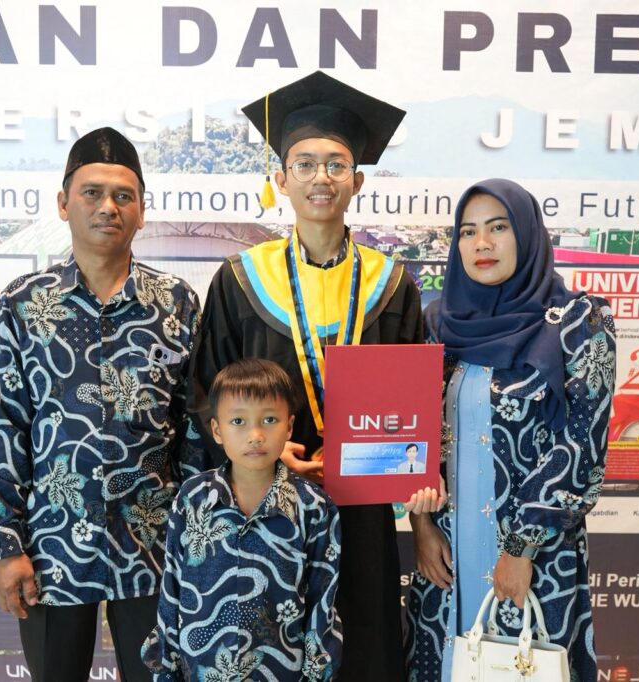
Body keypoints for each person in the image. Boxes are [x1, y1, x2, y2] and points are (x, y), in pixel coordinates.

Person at [189, 71, 423, 681]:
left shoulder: (391, 284)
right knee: (270, 645)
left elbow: (416, 409)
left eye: (337, 165)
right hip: (264, 498)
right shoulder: (241, 279)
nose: (322, 177)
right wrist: (262, 455)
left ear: (357, 181)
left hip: (363, 503)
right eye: (305, 164)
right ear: (281, 178)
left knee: (363, 645)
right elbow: (207, 395)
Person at [0, 127, 201, 682]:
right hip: (51, 547)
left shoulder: (175, 304)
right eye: (92, 193)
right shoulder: (24, 304)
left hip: (155, 547)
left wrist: (200, 539)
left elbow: (197, 430)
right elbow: (5, 428)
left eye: (124, 196)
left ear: (142, 211)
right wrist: (7, 545)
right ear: (64, 203)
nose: (109, 207)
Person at [404, 179, 616, 682]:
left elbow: (581, 448)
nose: (482, 243)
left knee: (520, 667)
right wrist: (422, 528)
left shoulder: (579, 323)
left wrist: (520, 548)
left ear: (527, 234)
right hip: (447, 553)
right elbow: (416, 435)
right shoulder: (437, 324)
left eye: (498, 228)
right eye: (468, 231)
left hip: (533, 556)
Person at [143, 358, 342, 680]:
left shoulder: (314, 506)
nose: (255, 435)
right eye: (238, 421)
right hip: (201, 670)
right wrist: (166, 669)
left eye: (269, 419)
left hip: (280, 671)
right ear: (217, 430)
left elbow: (322, 601)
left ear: (289, 426)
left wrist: (317, 672)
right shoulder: (192, 499)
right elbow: (172, 590)